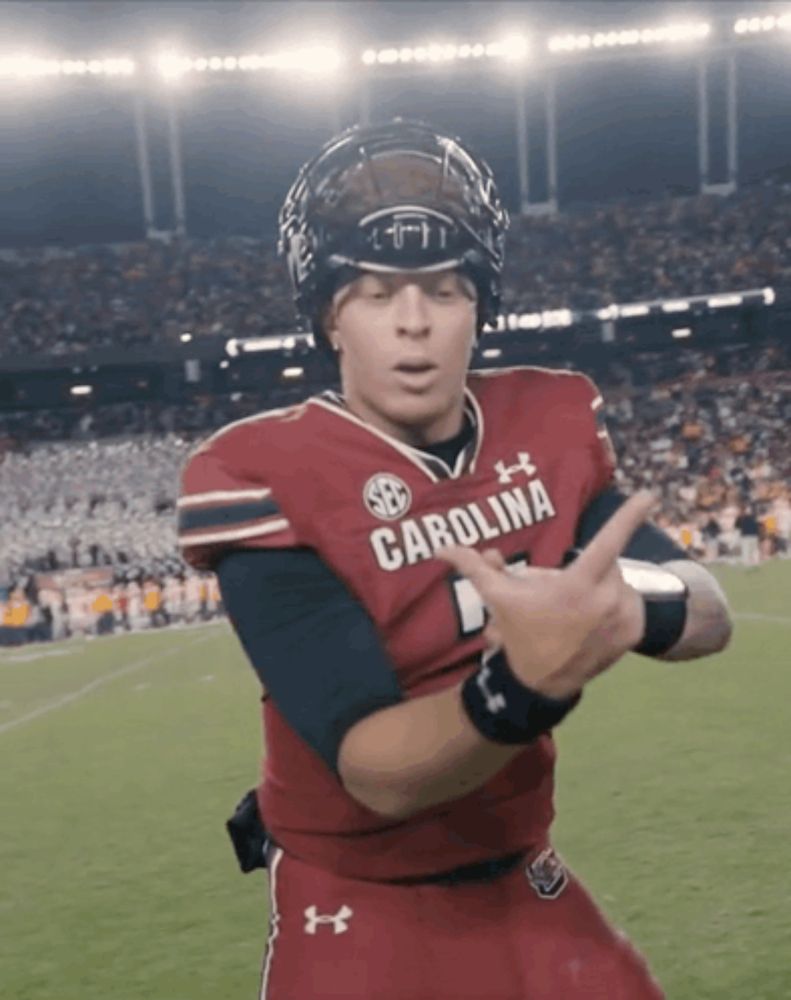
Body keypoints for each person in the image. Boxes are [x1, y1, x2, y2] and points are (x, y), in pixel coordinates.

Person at [177, 120, 732, 1000]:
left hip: (524, 874)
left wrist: (628, 607)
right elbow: (371, 771)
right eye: (372, 293)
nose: (412, 323)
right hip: (357, 895)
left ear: (481, 305)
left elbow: (705, 608)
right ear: (329, 315)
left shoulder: (544, 422)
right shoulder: (256, 473)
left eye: (441, 289)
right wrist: (517, 690)